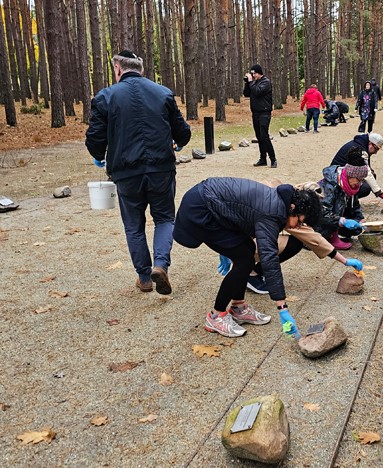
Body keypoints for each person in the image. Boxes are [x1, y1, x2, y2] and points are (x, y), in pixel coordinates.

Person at [85, 50, 191, 295]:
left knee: (134, 225)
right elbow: (182, 131)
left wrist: (99, 156)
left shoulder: (105, 97)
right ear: (141, 70)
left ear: (118, 69)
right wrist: (179, 143)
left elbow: (95, 137)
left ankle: (144, 277)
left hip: (125, 172)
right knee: (164, 218)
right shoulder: (163, 93)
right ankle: (161, 265)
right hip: (161, 169)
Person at [172, 177, 323, 338]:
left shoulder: (282, 202)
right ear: (293, 208)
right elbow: (269, 260)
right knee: (245, 261)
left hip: (214, 204)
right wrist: (282, 308)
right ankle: (216, 316)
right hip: (202, 209)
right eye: (299, 221)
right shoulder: (274, 212)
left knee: (248, 251)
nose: (295, 227)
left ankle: (238, 308)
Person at [232, 180, 364, 295]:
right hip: (238, 238)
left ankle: (248, 268)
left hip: (237, 233)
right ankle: (250, 274)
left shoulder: (286, 196)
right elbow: (314, 239)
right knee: (288, 244)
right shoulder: (285, 210)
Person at [318, 148, 371, 250]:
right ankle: (331, 237)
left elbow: (355, 205)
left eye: (362, 180)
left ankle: (336, 232)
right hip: (318, 220)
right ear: (350, 175)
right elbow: (323, 211)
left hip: (336, 216)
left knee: (355, 230)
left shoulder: (351, 186)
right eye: (358, 180)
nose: (360, 184)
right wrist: (341, 221)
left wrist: (359, 218)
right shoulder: (331, 186)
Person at [330, 132, 383, 201]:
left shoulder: (359, 144)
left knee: (372, 175)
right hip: (337, 179)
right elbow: (367, 174)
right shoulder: (361, 151)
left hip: (337, 174)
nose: (375, 152)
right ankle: (347, 199)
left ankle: (350, 198)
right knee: (366, 187)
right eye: (376, 149)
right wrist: (379, 193)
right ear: (370, 143)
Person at [244, 64, 277, 168]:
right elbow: (246, 94)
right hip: (255, 112)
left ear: (260, 73)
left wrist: (251, 82)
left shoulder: (266, 82)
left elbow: (257, 92)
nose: (253, 75)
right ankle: (263, 158)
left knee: (264, 135)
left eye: (255, 73)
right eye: (252, 74)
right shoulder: (254, 83)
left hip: (264, 112)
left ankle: (273, 159)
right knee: (259, 136)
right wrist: (247, 83)